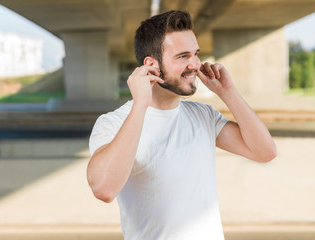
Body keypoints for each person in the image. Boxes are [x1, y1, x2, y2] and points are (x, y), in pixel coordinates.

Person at [87, 10, 277, 240]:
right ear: (151, 65)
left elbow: (265, 152)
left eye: (196, 54)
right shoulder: (113, 123)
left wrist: (227, 93)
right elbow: (104, 189)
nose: (196, 64)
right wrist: (141, 105)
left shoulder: (204, 115)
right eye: (183, 56)